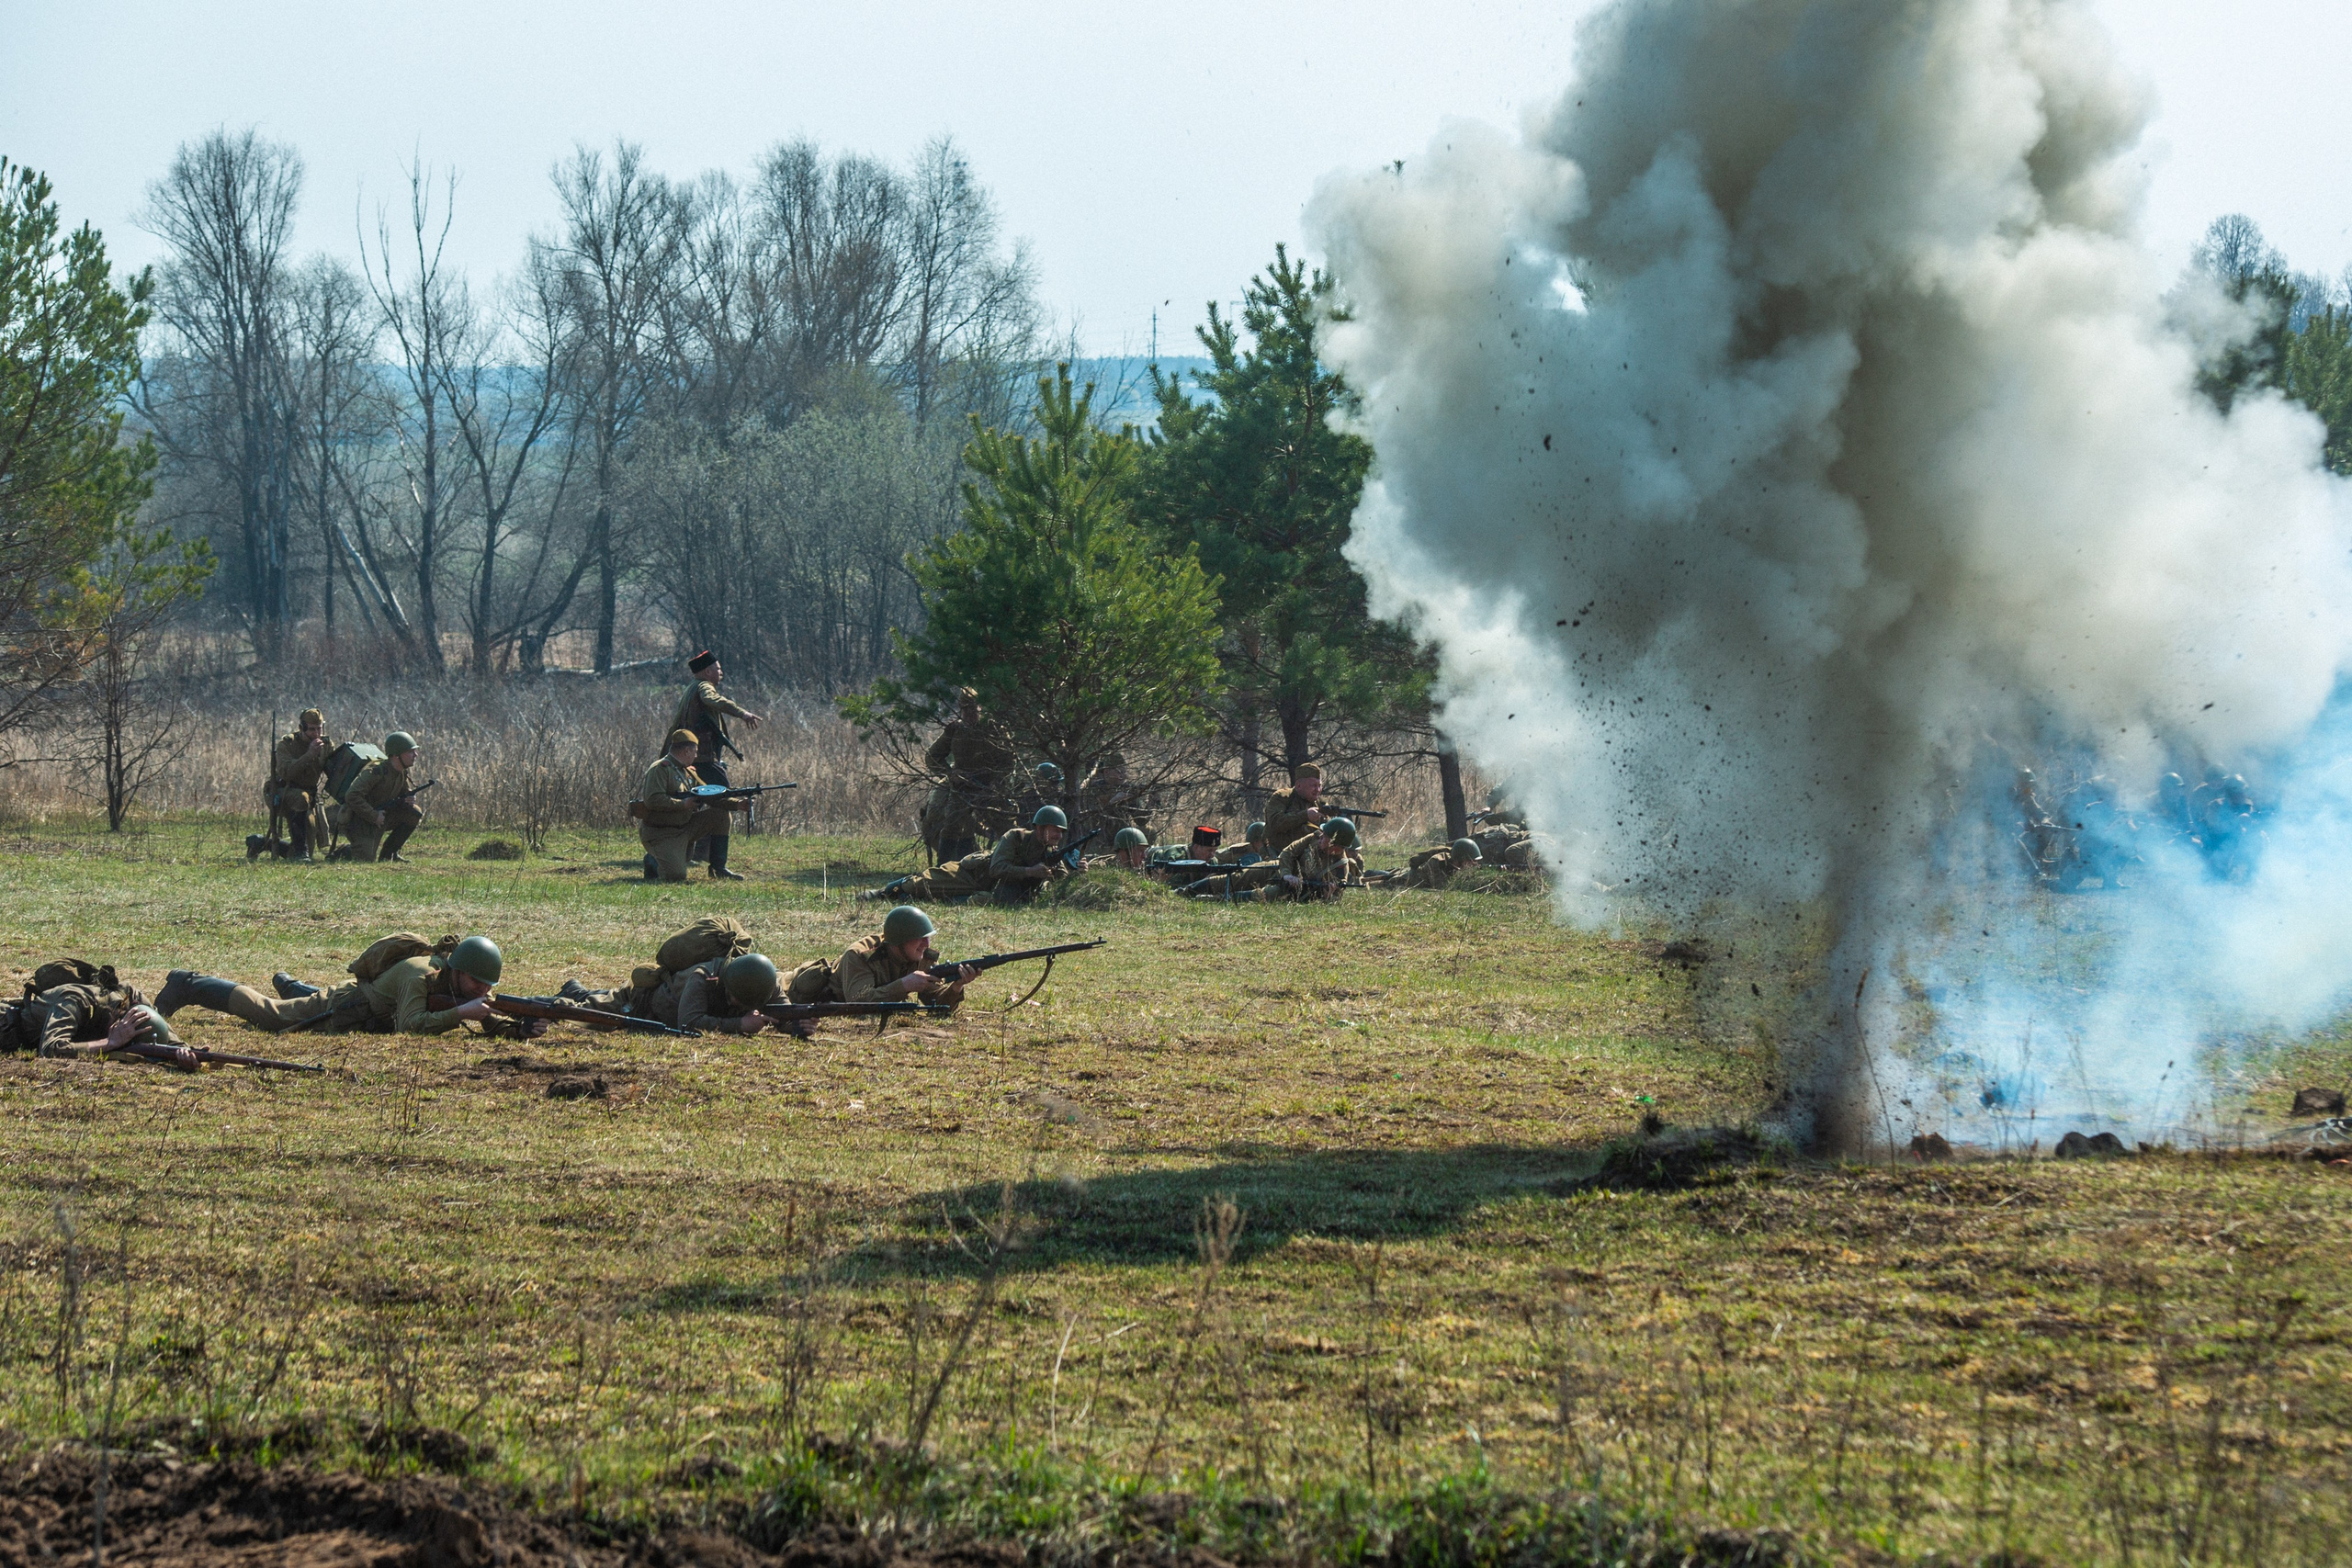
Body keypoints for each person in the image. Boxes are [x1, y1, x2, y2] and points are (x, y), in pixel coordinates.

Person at [154, 935, 538, 1038]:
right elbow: (410, 1025)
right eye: (476, 982)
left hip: (366, 1009)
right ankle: (188, 983)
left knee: (300, 999)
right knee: (269, 1016)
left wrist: (518, 1028)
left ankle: (296, 986)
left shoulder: (459, 982)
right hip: (346, 1006)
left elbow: (484, 1017)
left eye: (487, 986)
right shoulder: (419, 975)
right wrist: (461, 1014)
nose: (481, 991)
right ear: (457, 970)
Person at [783, 905, 975, 1011]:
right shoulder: (859, 956)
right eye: (919, 938)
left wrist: (956, 987)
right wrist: (905, 985)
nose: (927, 944)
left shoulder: (921, 956)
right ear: (899, 940)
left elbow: (936, 1004)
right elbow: (858, 1002)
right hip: (789, 989)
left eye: (928, 938)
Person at [673, 651, 763, 875]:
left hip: (692, 758)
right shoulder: (704, 687)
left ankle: (699, 854)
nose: (721, 673)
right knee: (725, 801)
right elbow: (713, 700)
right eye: (718, 669)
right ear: (707, 671)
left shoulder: (691, 688)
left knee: (702, 804)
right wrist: (742, 713)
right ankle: (717, 866)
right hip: (703, 759)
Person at [2, 970, 194, 1066]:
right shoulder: (75, 1001)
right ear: (118, 1023)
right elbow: (51, 1050)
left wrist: (185, 1054)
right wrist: (110, 1042)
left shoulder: (134, 1000)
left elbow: (166, 1037)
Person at [635, 729, 748, 883]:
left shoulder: (689, 771)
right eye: (695, 751)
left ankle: (718, 868)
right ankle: (653, 862)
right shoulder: (660, 769)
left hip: (684, 827)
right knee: (676, 876)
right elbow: (653, 800)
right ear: (686, 750)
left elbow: (709, 795)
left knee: (721, 815)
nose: (696, 755)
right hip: (661, 832)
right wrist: (683, 804)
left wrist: (738, 804)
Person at [922, 688, 1017, 861]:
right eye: (966, 710)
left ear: (980, 708)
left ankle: (1014, 864)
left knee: (1007, 826)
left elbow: (1009, 760)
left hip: (990, 788)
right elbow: (932, 756)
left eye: (974, 709)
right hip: (962, 787)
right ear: (960, 710)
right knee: (952, 826)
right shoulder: (955, 730)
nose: (970, 714)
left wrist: (997, 783)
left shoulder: (994, 728)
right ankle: (943, 871)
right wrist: (951, 774)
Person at [331, 732, 428, 863]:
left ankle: (389, 855)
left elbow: (402, 792)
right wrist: (373, 815)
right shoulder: (375, 771)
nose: (415, 755)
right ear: (396, 755)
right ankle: (344, 851)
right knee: (365, 860)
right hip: (360, 821)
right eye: (410, 752)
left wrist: (407, 799)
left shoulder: (401, 771)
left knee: (413, 812)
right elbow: (352, 795)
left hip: (381, 817)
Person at [254, 708, 330, 862]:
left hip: (308, 795)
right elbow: (287, 773)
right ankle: (301, 853)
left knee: (307, 845)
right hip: (281, 790)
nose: (316, 734)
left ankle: (260, 842)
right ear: (301, 728)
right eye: (312, 729)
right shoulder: (287, 744)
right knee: (300, 798)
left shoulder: (326, 745)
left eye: (319, 729)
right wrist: (309, 755)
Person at [1258, 817, 1359, 903]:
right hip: (1280, 870)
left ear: (1335, 845)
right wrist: (1286, 874)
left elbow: (1336, 899)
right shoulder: (1313, 838)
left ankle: (1242, 896)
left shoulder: (1340, 866)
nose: (1321, 836)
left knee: (1267, 893)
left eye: (1325, 837)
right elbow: (1288, 852)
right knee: (1250, 873)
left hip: (1295, 891)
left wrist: (1328, 896)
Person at [989, 805, 1072, 905]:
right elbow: (996, 869)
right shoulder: (1016, 838)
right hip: (991, 889)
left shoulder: (1050, 850)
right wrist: (1030, 871)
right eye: (1055, 830)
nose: (1060, 836)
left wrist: (1079, 871)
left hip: (1023, 898)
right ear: (1040, 828)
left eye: (1062, 832)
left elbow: (1062, 881)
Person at [1077, 753, 1150, 840]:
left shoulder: (1126, 790)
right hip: (1096, 839)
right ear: (1106, 772)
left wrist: (1151, 804)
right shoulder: (1093, 790)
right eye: (1119, 772)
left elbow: (1141, 821)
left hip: (1121, 840)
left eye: (1124, 772)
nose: (1123, 776)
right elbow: (1094, 816)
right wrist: (1115, 800)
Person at [1261, 763, 1326, 852]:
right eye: (1313, 785)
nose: (1318, 790)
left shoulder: (1320, 803)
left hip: (1306, 856)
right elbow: (1275, 823)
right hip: (1277, 853)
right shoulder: (1283, 797)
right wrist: (1305, 815)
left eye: (1320, 785)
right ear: (1299, 786)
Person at [1401, 838, 1484, 889]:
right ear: (1461, 859)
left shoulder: (1455, 865)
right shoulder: (1437, 862)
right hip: (1403, 880)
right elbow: (1441, 887)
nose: (1475, 864)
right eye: (1472, 861)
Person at [1087, 825, 1152, 871]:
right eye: (1140, 851)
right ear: (1124, 851)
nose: (1144, 856)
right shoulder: (1100, 868)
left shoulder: (1144, 871)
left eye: (1144, 851)